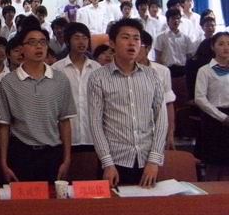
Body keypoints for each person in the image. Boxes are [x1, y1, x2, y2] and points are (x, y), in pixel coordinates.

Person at [88, 19, 168, 187]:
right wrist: (107, 163)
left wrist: (154, 161)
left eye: (136, 38)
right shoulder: (98, 77)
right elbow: (95, 123)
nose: (132, 43)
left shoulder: (152, 75)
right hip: (114, 161)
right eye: (125, 37)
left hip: (146, 161)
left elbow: (161, 119)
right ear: (112, 43)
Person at [0, 24, 75, 182]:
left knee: (53, 197)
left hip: (53, 152)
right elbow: (4, 126)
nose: (39, 46)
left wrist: (67, 159)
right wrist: (3, 162)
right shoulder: (8, 82)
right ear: (22, 49)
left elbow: (65, 121)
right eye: (32, 42)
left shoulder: (60, 79)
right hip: (21, 153)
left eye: (42, 42)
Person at [52, 23, 100, 152]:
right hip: (66, 137)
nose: (81, 42)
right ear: (68, 41)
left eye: (85, 38)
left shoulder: (97, 68)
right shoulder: (57, 69)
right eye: (77, 37)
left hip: (93, 137)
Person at [194, 32, 229, 166]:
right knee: (213, 163)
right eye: (221, 44)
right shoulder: (205, 70)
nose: (226, 47)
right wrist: (222, 117)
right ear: (213, 47)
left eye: (228, 44)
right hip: (214, 118)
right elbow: (200, 98)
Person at [137, 31, 176, 150]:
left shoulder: (162, 71)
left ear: (148, 48)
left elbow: (168, 104)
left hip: (155, 130)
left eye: (138, 45)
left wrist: (170, 133)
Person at [154, 8, 193, 78]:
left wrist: (188, 72)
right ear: (167, 21)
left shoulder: (186, 38)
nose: (176, 21)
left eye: (178, 18)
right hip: (167, 70)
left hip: (182, 70)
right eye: (173, 18)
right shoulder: (160, 37)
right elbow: (158, 57)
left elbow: (189, 57)